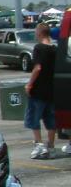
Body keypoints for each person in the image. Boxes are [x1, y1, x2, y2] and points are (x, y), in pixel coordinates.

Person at [25, 22, 57, 159]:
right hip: (52, 89)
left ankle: (39, 145)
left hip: (38, 89)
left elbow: (38, 68)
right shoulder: (55, 49)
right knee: (51, 120)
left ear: (39, 33)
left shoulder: (39, 48)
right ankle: (51, 146)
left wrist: (29, 84)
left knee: (33, 118)